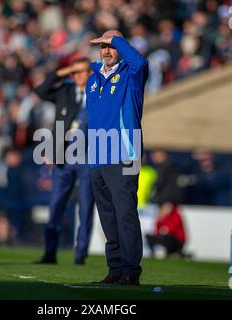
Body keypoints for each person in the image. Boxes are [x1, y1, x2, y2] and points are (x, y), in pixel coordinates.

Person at [86, 30, 149, 285]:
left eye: (110, 46)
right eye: (102, 46)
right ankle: (115, 269)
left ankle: (131, 271)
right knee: (108, 218)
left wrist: (118, 41)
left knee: (125, 215)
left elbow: (140, 62)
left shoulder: (131, 74)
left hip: (123, 154)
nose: (106, 50)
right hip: (98, 157)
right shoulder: (93, 78)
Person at [34, 57, 94, 265]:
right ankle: (49, 253)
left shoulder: (98, 93)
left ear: (90, 72)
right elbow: (41, 90)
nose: (77, 76)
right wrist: (63, 70)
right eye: (74, 72)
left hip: (88, 156)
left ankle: (81, 253)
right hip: (64, 156)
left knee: (86, 206)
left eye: (82, 71)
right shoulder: (65, 92)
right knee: (56, 205)